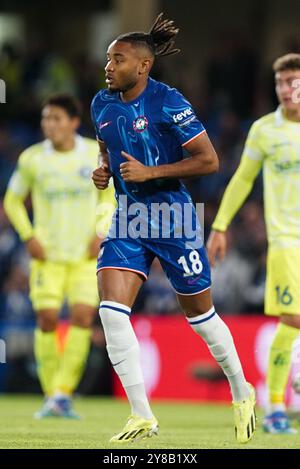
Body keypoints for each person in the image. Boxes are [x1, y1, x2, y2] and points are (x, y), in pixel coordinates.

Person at [91, 13, 256, 444]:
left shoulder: (168, 101)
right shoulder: (100, 103)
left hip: (172, 214)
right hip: (128, 216)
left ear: (143, 66)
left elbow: (210, 160)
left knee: (201, 318)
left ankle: (241, 388)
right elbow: (106, 144)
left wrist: (151, 173)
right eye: (108, 59)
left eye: (118, 59)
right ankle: (142, 415)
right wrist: (104, 169)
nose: (109, 66)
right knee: (110, 311)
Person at [4, 94, 115, 418]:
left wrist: (101, 231)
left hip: (83, 256)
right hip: (47, 257)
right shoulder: (32, 159)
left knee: (82, 317)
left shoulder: (93, 155)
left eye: (55, 118)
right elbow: (12, 201)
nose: (49, 125)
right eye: (45, 119)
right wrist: (28, 236)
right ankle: (51, 392)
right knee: (47, 320)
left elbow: (109, 196)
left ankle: (64, 393)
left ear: (73, 123)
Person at [207, 53, 300, 434]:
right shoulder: (264, 130)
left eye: (294, 80)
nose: (287, 89)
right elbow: (243, 179)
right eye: (281, 82)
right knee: (293, 319)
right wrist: (220, 225)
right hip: (287, 239)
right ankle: (276, 407)